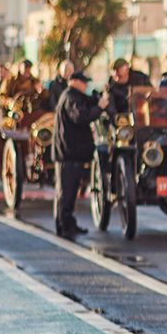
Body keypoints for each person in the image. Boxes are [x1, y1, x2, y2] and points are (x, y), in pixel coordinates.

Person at [52, 69, 103, 239]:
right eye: (83, 82)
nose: (86, 86)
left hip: (72, 152)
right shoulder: (70, 97)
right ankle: (63, 225)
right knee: (66, 193)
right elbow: (81, 116)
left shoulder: (73, 96)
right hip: (68, 153)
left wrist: (97, 100)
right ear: (74, 82)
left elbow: (86, 103)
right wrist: (100, 108)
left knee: (70, 192)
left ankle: (68, 223)